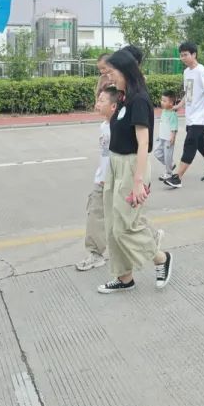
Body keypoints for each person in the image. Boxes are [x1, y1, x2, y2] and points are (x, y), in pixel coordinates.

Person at [96, 48, 172, 294]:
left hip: (131, 166)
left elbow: (143, 144)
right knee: (112, 224)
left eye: (112, 72)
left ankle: (160, 257)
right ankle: (124, 277)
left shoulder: (139, 99)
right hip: (115, 164)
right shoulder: (124, 96)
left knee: (125, 227)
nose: (110, 77)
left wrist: (138, 181)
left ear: (126, 71)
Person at [164, 42, 204, 189]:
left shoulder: (201, 71)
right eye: (181, 55)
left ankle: (177, 177)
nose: (183, 57)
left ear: (194, 54)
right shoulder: (186, 72)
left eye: (186, 54)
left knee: (190, 144)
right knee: (201, 144)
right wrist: (178, 106)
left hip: (199, 117)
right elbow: (187, 94)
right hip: (191, 117)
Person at [76, 86, 117, 271]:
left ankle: (150, 239)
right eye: (97, 100)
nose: (97, 104)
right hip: (103, 178)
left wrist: (108, 177)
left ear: (114, 106)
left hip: (112, 180)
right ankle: (95, 253)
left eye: (102, 101)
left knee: (123, 219)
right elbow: (105, 154)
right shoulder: (105, 125)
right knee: (97, 213)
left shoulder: (116, 128)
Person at [153, 91, 178, 181]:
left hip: (168, 139)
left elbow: (174, 127)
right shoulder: (164, 111)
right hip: (161, 137)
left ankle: (169, 173)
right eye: (162, 100)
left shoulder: (172, 114)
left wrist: (172, 136)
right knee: (156, 152)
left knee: (168, 156)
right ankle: (170, 165)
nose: (161, 102)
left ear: (171, 103)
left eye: (164, 101)